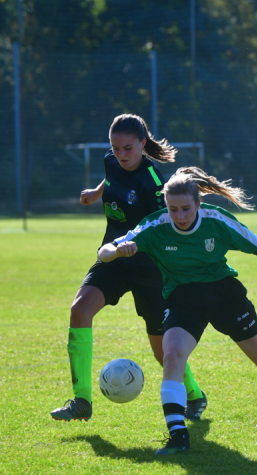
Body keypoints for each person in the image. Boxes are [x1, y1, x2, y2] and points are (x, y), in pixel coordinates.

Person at [97, 167, 257, 455]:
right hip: (183, 298)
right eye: (173, 209)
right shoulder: (155, 226)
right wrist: (117, 250)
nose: (179, 216)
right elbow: (104, 252)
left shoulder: (218, 222)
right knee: (172, 354)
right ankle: (178, 435)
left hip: (225, 294)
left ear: (199, 204)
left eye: (186, 209)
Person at [50, 114, 208, 422]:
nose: (120, 154)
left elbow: (167, 227)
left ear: (143, 145)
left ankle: (194, 395)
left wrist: (140, 244)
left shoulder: (153, 183)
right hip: (113, 258)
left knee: (162, 350)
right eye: (115, 147)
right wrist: (97, 193)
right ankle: (81, 400)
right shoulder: (112, 160)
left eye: (127, 149)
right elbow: (111, 178)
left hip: (150, 268)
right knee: (80, 310)